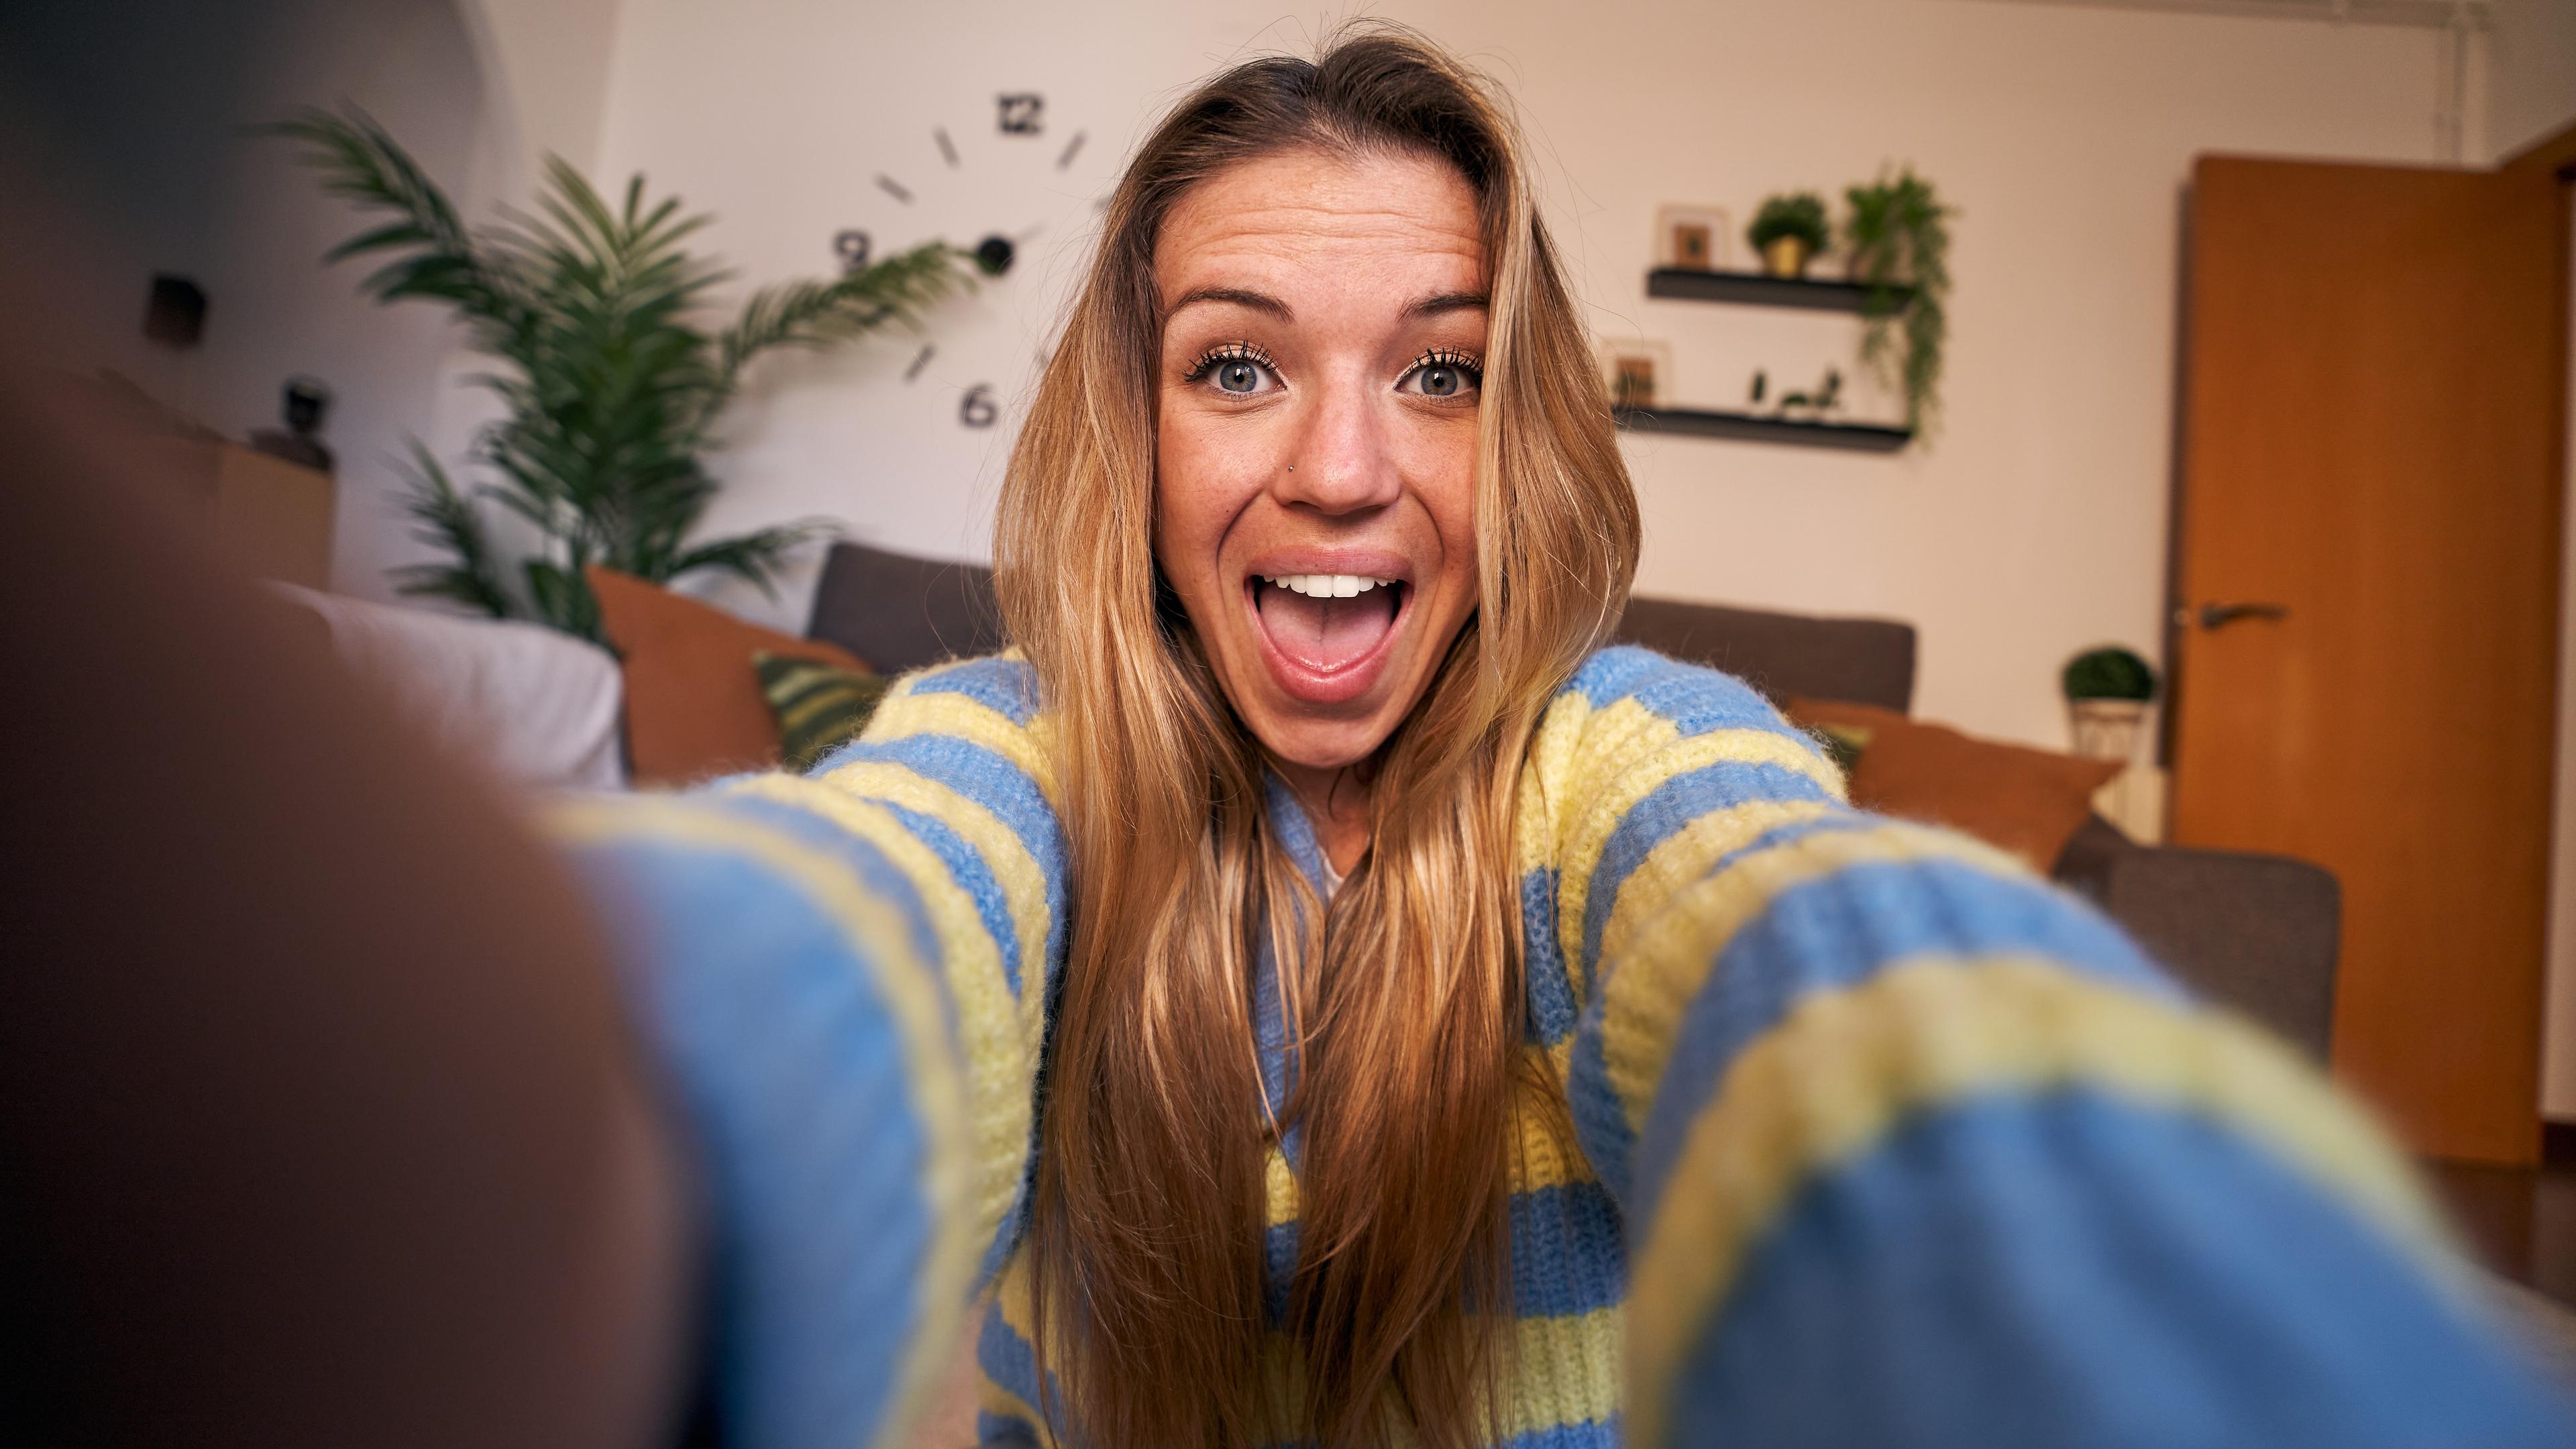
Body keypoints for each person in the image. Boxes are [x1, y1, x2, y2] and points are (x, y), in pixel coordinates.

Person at [0, 25, 2564, 1449]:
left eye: (1436, 376)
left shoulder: (1620, 758)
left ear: (1520, 430)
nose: (1343, 467)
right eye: (1241, 367)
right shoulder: (1003, 747)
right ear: (1137, 428)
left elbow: (1843, 980)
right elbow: (850, 921)